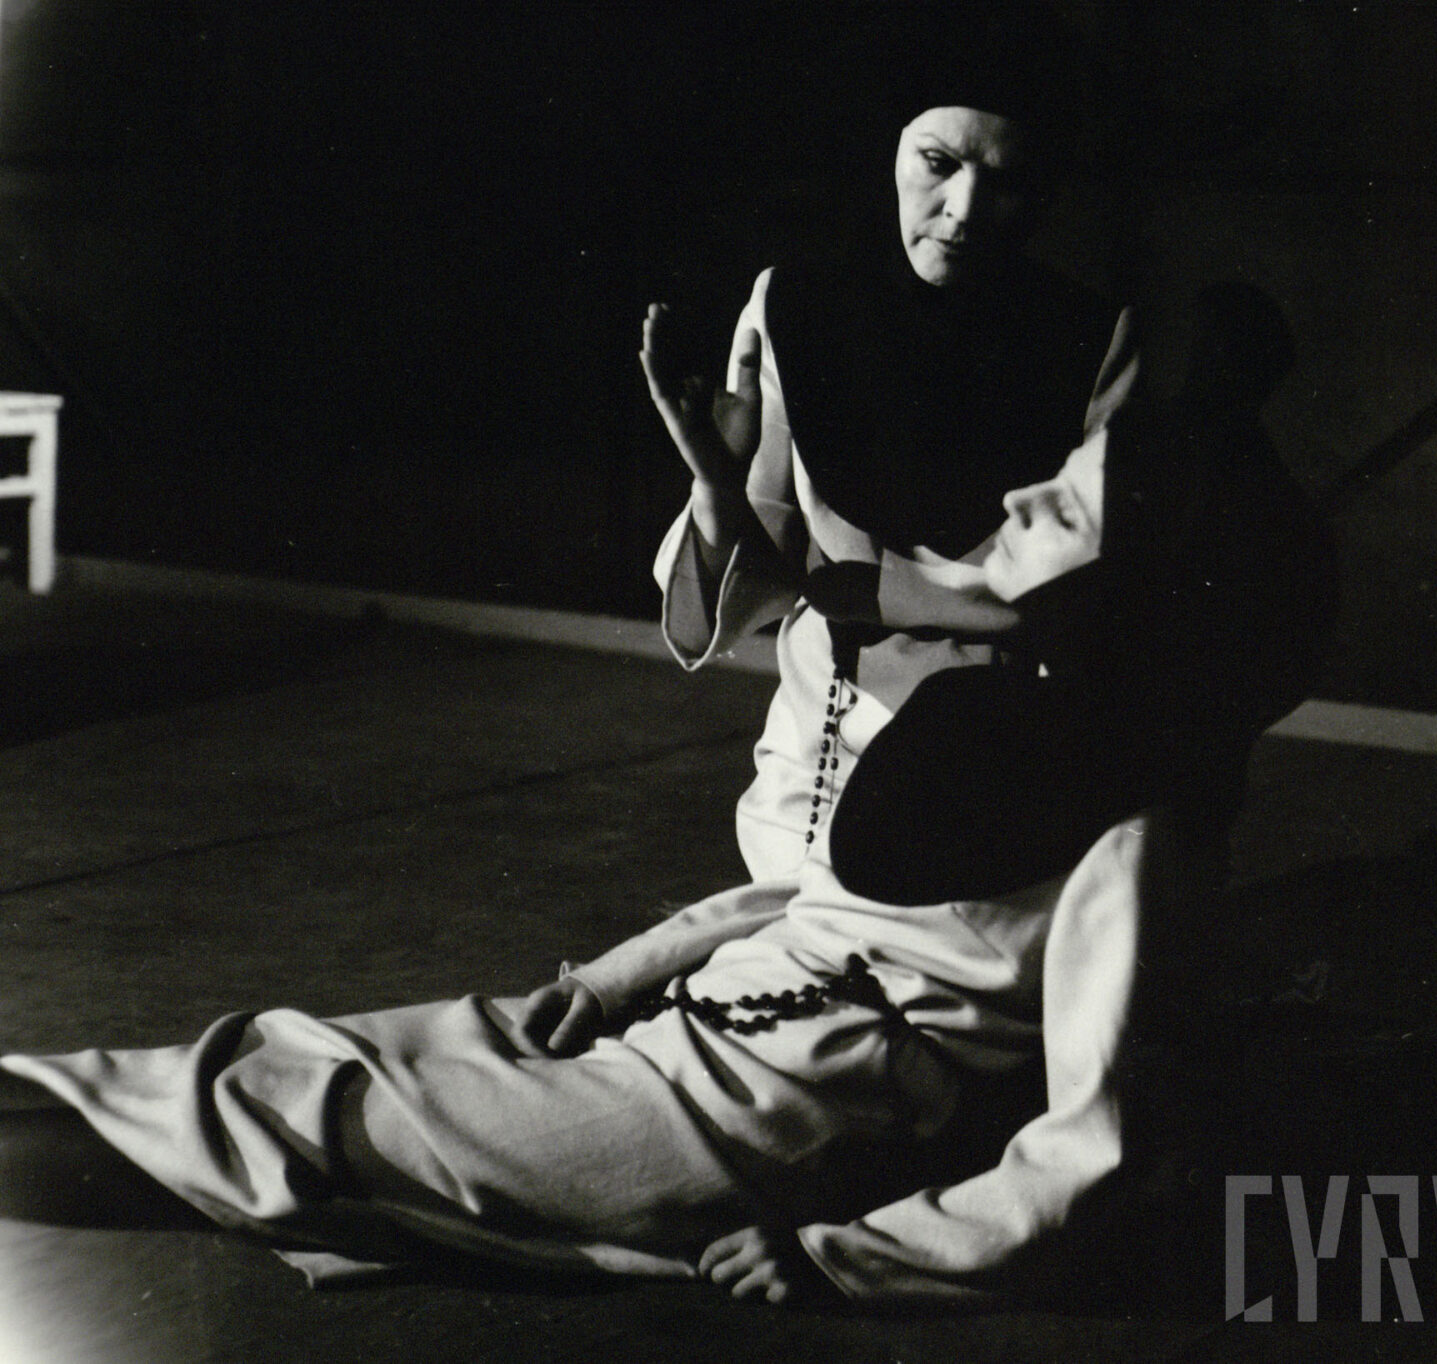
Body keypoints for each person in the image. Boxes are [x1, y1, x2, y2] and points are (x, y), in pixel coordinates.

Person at [0, 22, 1333, 1309]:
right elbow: (815, 877)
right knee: (363, 1062)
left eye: (1014, 179)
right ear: (888, 151)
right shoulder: (806, 315)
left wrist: (860, 1257)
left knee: (345, 1125)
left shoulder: (1117, 750)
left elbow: (1087, 1118)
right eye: (938, 161)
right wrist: (616, 973)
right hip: (800, 918)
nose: (969, 207)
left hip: (836, 1045)